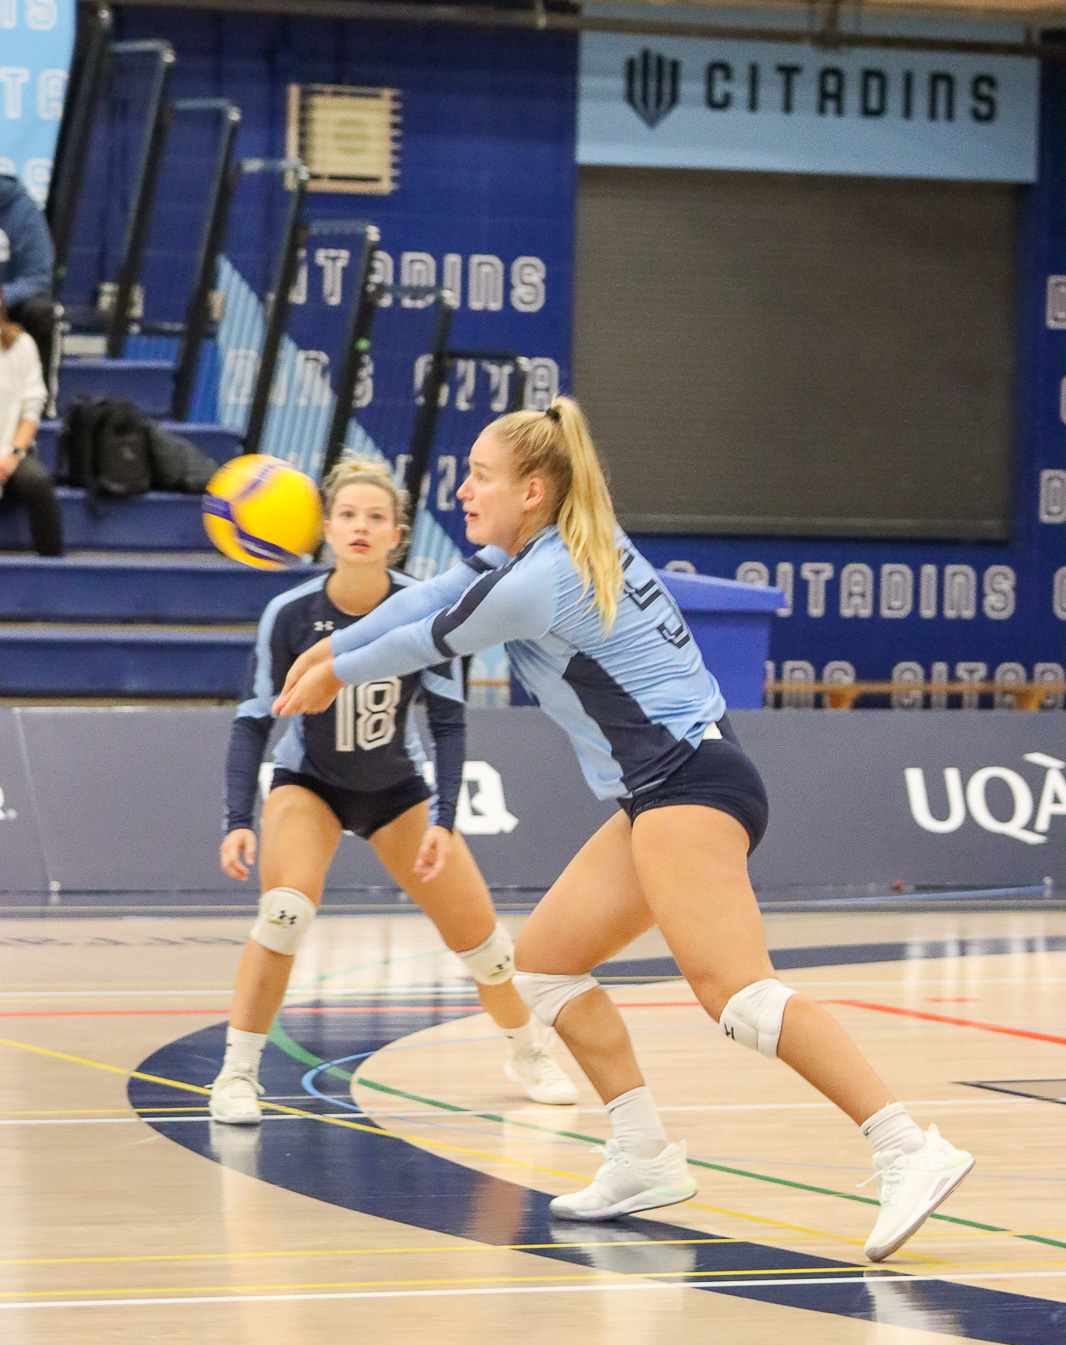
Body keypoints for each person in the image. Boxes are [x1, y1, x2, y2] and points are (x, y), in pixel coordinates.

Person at [273, 400, 975, 1263]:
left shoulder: (538, 581)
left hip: (689, 785)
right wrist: (326, 651)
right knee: (545, 965)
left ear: (533, 491)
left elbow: (428, 637)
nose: (463, 491)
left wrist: (332, 670)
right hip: (668, 790)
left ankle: (907, 1147)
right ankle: (643, 1155)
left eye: (481, 476)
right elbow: (437, 594)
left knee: (740, 997)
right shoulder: (554, 546)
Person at [210, 456, 576, 1125]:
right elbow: (253, 720)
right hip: (310, 783)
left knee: (486, 947)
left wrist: (444, 818)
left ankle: (528, 1053)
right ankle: (237, 1074)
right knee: (284, 913)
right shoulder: (288, 613)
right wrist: (238, 818)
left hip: (396, 790)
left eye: (376, 517)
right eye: (347, 515)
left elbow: (447, 722)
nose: (361, 527)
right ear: (325, 528)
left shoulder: (427, 607)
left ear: (397, 536)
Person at [0, 292, 62, 556]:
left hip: (13, 451)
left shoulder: (22, 345)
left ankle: (53, 566)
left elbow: (32, 409)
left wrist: (13, 454)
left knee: (38, 482)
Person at [0, 175, 57, 380]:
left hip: (10, 305)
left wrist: (3, 296)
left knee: (40, 312)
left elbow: (38, 275)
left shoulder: (23, 210)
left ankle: (39, 393)